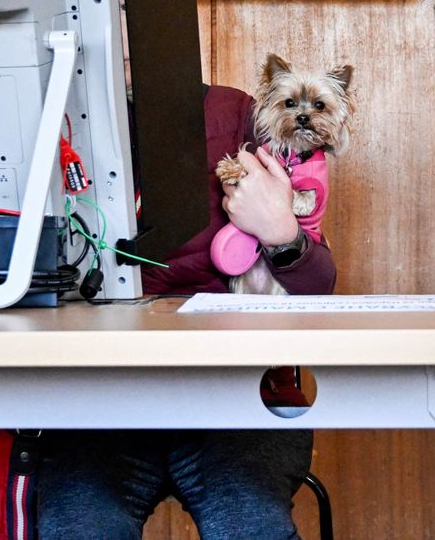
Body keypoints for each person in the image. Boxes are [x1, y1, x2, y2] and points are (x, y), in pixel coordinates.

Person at [33, 85, 337, 539]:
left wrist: (281, 233)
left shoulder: (232, 113)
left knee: (248, 524)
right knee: (80, 524)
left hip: (234, 392)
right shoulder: (53, 117)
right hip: (101, 396)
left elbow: (316, 286)